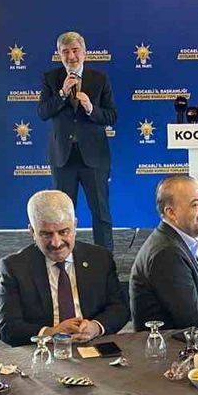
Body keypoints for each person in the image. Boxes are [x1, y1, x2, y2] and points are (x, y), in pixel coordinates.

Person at [0, 190, 129, 346]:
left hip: (93, 345)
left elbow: (120, 309)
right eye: (46, 234)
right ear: (32, 231)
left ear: (75, 226)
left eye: (64, 232)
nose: (56, 243)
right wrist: (51, 332)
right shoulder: (14, 267)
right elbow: (7, 328)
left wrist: (96, 327)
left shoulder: (100, 258)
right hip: (44, 350)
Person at [39, 31, 117, 252]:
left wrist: (91, 108)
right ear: (59, 54)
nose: (71, 56)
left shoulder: (99, 79)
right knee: (61, 215)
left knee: (101, 213)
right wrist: (62, 93)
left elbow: (111, 116)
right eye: (65, 52)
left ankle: (105, 258)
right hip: (62, 157)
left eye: (75, 51)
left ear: (84, 53)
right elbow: (43, 112)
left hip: (94, 157)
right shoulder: (50, 79)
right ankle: (63, 257)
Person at [130, 175, 198, 331]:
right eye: (195, 205)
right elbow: (191, 323)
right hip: (177, 344)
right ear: (171, 213)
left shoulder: (177, 241)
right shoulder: (167, 253)